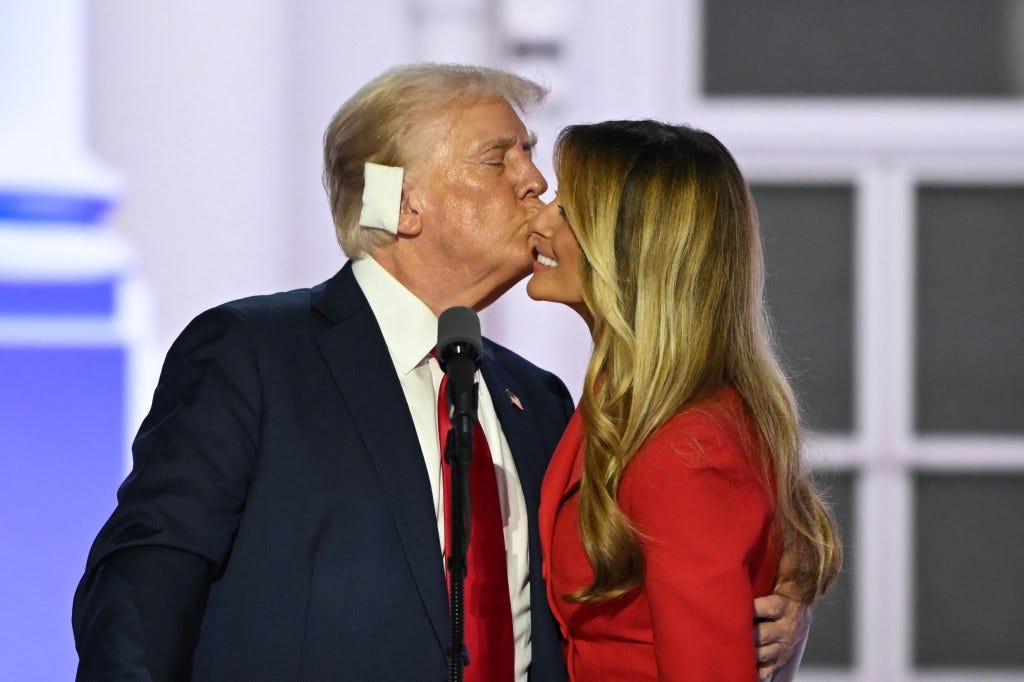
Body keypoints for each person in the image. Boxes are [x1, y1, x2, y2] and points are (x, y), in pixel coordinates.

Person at [72, 65, 809, 681]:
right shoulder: (253, 355)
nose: (537, 186)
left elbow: (666, 557)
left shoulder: (541, 403)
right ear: (403, 202)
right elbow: (145, 584)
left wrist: (786, 601)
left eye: (532, 155)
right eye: (500, 159)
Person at [527, 120, 842, 680]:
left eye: (570, 210)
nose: (541, 218)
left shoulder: (685, 446)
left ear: (634, 251)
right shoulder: (636, 410)